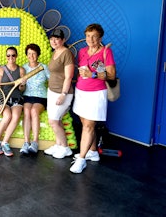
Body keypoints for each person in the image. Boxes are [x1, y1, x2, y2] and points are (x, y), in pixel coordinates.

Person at [70, 23, 116, 173]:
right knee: (85, 122)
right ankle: (93, 151)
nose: (91, 39)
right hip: (81, 92)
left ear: (100, 37)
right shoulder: (82, 51)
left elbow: (111, 75)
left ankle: (81, 159)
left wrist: (93, 74)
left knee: (88, 126)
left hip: (96, 94)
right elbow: (81, 70)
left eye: (94, 36)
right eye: (88, 36)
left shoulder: (105, 53)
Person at [44, 28, 75, 159]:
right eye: (52, 39)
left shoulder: (66, 53)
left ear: (63, 40)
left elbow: (69, 76)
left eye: (57, 39)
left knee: (53, 121)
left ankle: (65, 148)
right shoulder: (55, 52)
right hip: (52, 91)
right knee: (57, 120)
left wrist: (63, 94)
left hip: (62, 93)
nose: (54, 41)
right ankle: (59, 144)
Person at [0, 47, 26, 157]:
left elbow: (22, 90)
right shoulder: (1, 70)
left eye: (13, 55)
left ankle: (5, 142)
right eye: (8, 55)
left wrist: (22, 84)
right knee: (7, 116)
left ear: (16, 56)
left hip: (16, 97)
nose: (11, 57)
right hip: (3, 98)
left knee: (15, 116)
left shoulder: (21, 70)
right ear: (6, 57)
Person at [20, 43, 50, 154]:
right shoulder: (23, 68)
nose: (31, 56)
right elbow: (21, 88)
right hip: (27, 96)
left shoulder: (44, 67)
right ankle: (26, 142)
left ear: (38, 55)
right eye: (29, 54)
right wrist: (22, 84)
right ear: (26, 55)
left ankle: (35, 142)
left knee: (34, 111)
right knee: (27, 111)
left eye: (34, 53)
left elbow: (51, 81)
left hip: (41, 96)